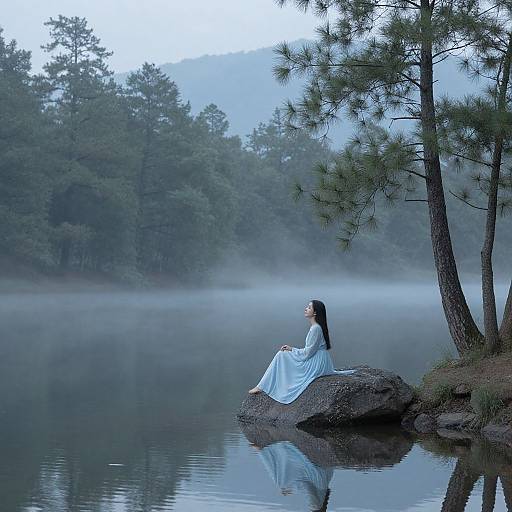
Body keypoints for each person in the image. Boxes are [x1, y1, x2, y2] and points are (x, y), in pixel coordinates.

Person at [248, 300, 355, 404]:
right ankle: (263, 386)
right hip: (318, 359)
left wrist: (293, 350)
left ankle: (262, 386)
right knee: (283, 355)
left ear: (315, 312)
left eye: (309, 307)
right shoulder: (316, 327)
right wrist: (292, 350)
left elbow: (308, 353)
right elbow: (310, 351)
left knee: (281, 355)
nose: (306, 309)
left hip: (316, 362)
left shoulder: (316, 329)